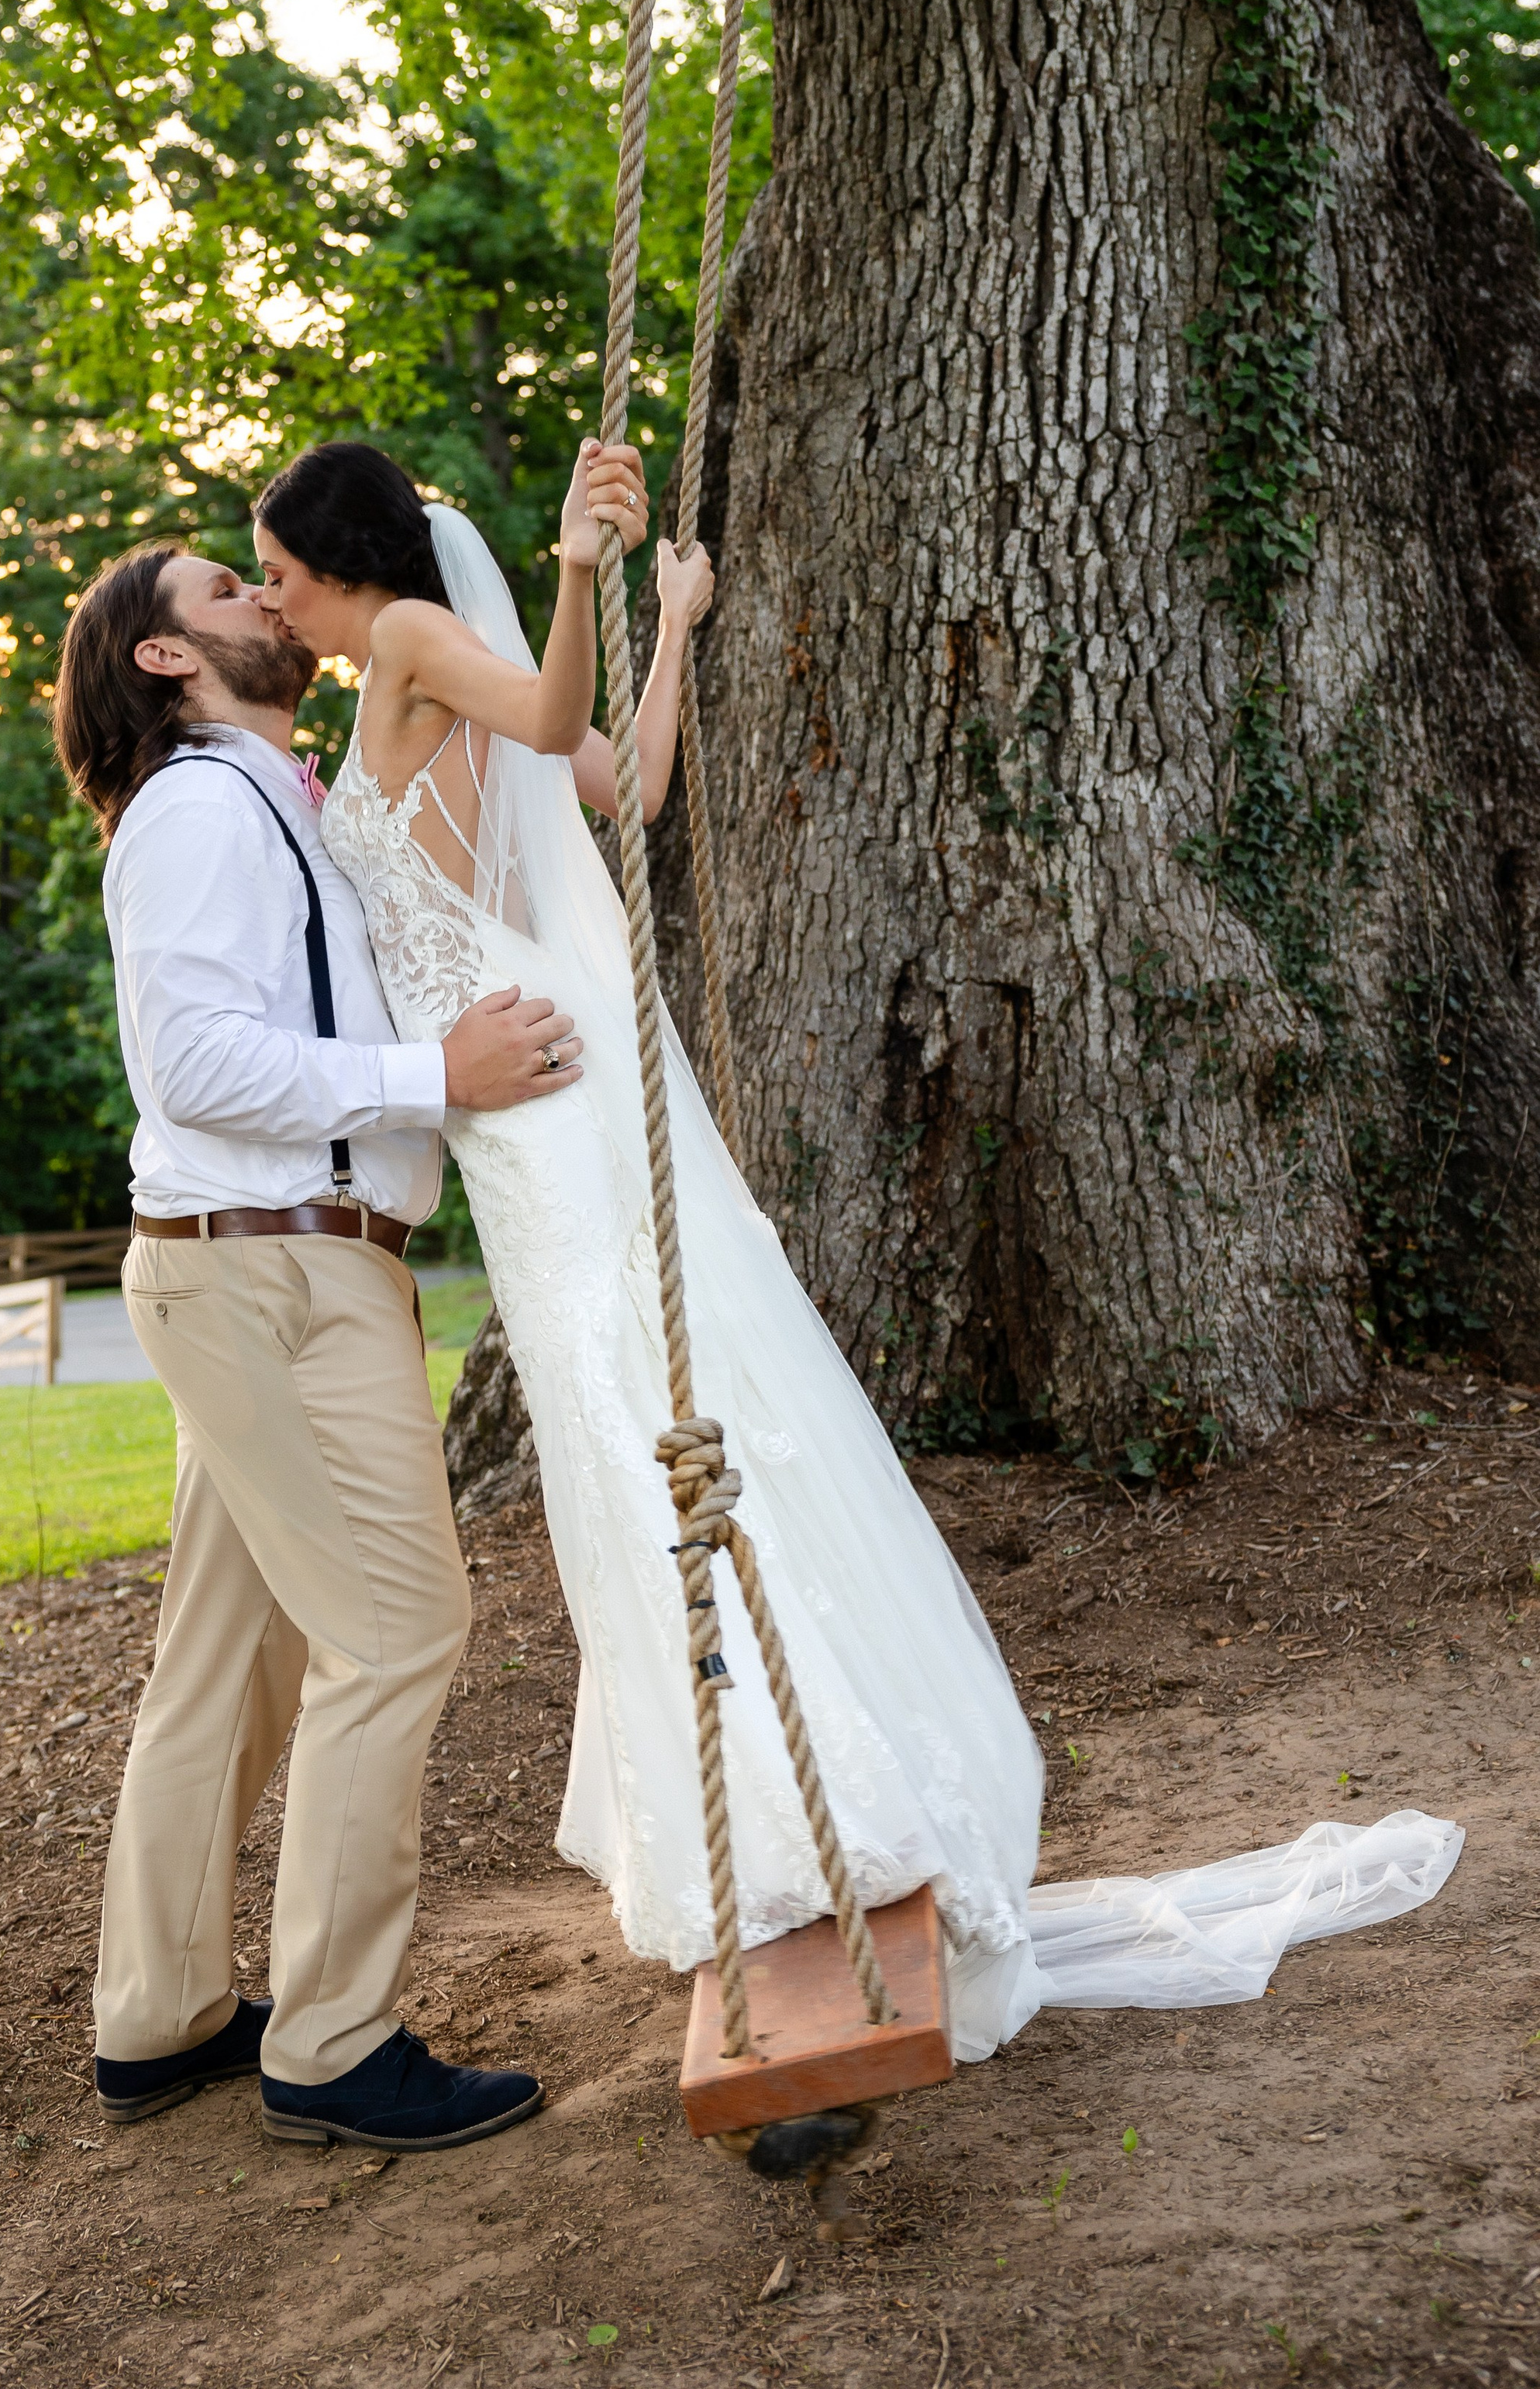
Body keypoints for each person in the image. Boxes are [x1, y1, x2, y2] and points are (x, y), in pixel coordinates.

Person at [253, 436, 1462, 2060]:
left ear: (344, 566)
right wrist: (677, 628)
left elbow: (550, 726)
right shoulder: (414, 671)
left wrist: (588, 571)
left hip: (539, 1108)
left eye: (278, 569)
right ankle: (767, 1788)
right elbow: (633, 785)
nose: (270, 595)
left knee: (632, 1431)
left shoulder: (411, 641)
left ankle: (793, 1807)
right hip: (526, 1101)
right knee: (642, 1426)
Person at [51, 536, 592, 2153]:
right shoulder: (197, 809)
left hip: (264, 1271)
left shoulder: (273, 797)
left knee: (232, 1660)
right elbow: (196, 1066)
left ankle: (159, 2016)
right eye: (225, 591)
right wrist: (438, 1078)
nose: (264, 599)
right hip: (271, 1274)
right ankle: (334, 2042)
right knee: (400, 1628)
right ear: (164, 657)